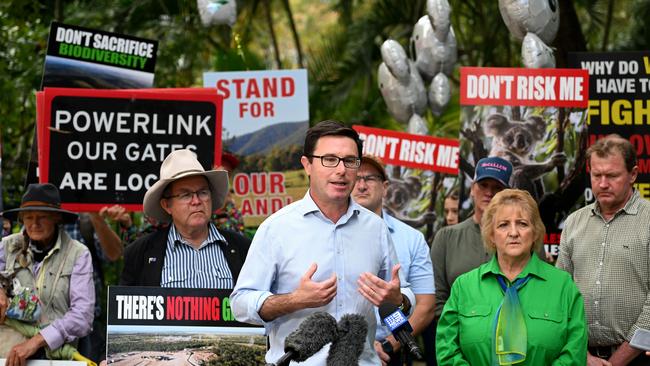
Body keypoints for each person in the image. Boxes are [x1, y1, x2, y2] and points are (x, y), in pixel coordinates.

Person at [231, 120, 411, 365]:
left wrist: (399, 300)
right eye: (329, 159)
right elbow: (240, 304)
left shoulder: (375, 228)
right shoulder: (276, 229)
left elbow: (397, 301)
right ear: (307, 165)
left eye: (350, 161)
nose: (341, 170)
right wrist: (295, 300)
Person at [436, 189, 587, 365]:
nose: (513, 232)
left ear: (535, 232)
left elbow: (575, 353)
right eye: (503, 225)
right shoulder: (464, 286)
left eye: (522, 224)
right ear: (491, 235)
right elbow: (446, 349)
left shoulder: (563, 286)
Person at [557, 134, 650, 365]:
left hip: (638, 359)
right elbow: (560, 294)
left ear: (633, 175)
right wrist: (583, 356)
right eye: (596, 175)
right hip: (581, 357)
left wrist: (619, 360)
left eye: (612, 175)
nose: (603, 183)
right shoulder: (573, 223)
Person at [120, 149, 250, 288]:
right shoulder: (140, 253)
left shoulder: (242, 248)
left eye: (203, 192)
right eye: (185, 195)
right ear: (167, 205)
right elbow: (127, 306)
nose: (196, 201)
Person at [352, 155, 435, 366]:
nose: (361, 185)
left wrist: (388, 345)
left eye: (370, 178)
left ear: (385, 187)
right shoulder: (330, 234)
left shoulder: (411, 239)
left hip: (391, 353)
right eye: (356, 178)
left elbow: (425, 306)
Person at [0, 183, 94, 365]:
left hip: (58, 357)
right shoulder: (6, 247)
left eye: (42, 217)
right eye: (28, 217)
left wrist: (37, 340)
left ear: (56, 218)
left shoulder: (77, 253)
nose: (34, 224)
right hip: (9, 356)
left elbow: (83, 315)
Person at [430, 156, 515, 320]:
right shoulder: (446, 237)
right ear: (472, 189)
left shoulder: (525, 240)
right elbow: (436, 298)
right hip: (456, 339)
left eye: (497, 187)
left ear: (508, 194)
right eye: (483, 185)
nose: (489, 193)